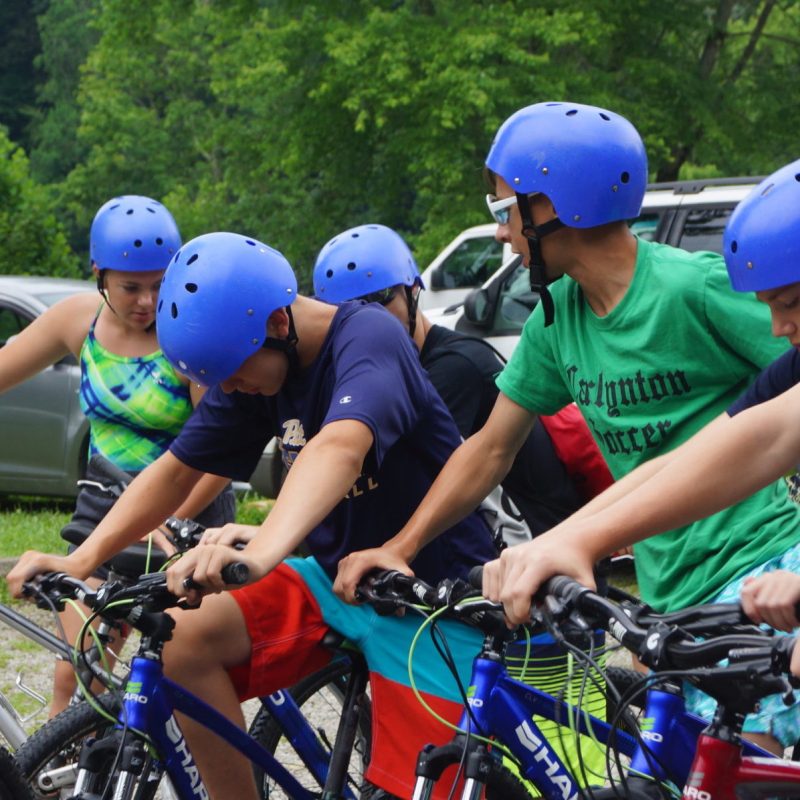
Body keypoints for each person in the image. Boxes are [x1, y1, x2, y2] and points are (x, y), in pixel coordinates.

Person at [332, 102, 800, 755]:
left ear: (555, 206)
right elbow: (489, 450)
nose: (500, 234)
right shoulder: (554, 324)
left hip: (764, 571)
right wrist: (403, 546)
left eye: (503, 212)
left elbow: (781, 416)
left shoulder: (692, 290)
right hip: (667, 600)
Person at [8, 230, 497, 800]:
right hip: (336, 580)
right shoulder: (253, 362)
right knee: (183, 643)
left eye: (235, 373)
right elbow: (177, 468)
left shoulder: (369, 336)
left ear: (279, 325)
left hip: (428, 598)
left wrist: (263, 551)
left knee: (426, 783)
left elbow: (339, 446)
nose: (230, 389)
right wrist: (81, 557)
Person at [0, 195, 235, 716]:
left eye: (160, 284)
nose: (148, 302)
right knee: (80, 671)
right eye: (131, 287)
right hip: (102, 509)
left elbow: (220, 452)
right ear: (99, 275)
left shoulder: (187, 335)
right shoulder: (77, 321)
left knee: (185, 674)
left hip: (185, 518)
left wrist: (175, 516)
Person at [313, 222, 614, 543]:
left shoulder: (454, 367)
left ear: (414, 291)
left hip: (534, 543)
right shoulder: (380, 370)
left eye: (379, 298)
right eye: (345, 311)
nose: (366, 319)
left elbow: (394, 476)